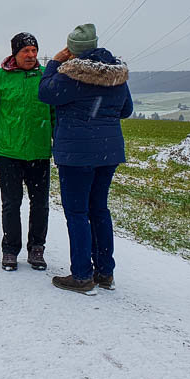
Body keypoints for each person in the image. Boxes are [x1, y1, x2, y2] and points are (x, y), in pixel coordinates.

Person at [38, 23, 132, 295]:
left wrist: (54, 63)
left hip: (76, 154)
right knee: (99, 209)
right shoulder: (117, 75)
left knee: (77, 212)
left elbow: (45, 92)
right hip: (108, 151)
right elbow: (126, 110)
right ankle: (105, 271)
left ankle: (81, 275)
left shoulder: (71, 74)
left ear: (72, 50)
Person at [0, 32, 55, 272]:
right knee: (11, 203)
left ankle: (37, 248)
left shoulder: (45, 78)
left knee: (40, 204)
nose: (31, 55)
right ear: (15, 54)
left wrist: (59, 141)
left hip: (39, 151)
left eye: (34, 51)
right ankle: (10, 249)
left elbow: (55, 114)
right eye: (25, 51)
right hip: (8, 152)